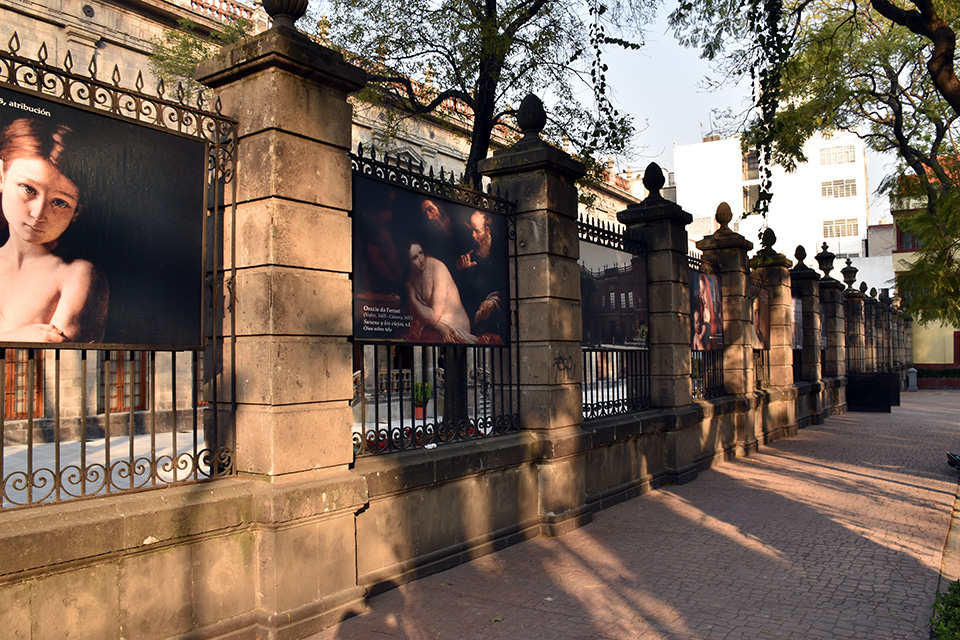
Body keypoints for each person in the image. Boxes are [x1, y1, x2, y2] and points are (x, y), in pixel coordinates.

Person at [0, 117, 108, 343]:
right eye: (28, 189)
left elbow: (59, 363)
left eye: (60, 202)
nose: (38, 213)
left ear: (76, 211)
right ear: (2, 175)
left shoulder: (77, 275)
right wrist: (20, 336)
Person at [404, 241, 476, 344]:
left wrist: (412, 298)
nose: (421, 259)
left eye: (421, 253)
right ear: (408, 262)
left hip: (457, 330)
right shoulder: (411, 276)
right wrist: (440, 327)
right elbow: (417, 312)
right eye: (415, 257)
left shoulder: (437, 268)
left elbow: (434, 317)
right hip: (439, 328)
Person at [455, 210, 504, 340]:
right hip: (475, 322)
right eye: (472, 230)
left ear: (487, 230)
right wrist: (461, 268)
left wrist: (493, 303)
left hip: (498, 325)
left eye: (477, 231)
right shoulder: (470, 251)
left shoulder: (501, 251)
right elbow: (464, 291)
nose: (473, 235)